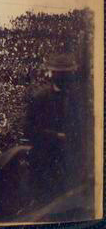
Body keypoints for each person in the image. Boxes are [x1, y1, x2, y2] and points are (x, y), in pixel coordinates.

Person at [25, 53, 84, 201]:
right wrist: (55, 136)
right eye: (62, 74)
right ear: (54, 75)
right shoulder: (39, 97)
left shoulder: (77, 97)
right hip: (46, 156)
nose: (66, 77)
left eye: (69, 73)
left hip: (71, 156)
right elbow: (29, 129)